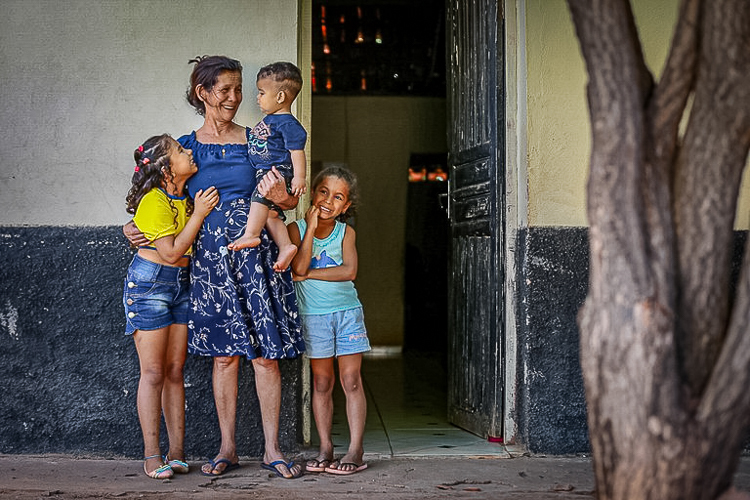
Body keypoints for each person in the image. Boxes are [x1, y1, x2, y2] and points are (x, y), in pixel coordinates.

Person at [123, 55, 305, 479]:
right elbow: (159, 194)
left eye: (240, 89)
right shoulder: (186, 148)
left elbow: (290, 200)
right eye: (225, 90)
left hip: (258, 257)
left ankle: (273, 449)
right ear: (203, 93)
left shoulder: (259, 136)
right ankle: (227, 448)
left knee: (265, 358)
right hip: (209, 264)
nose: (235, 98)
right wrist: (134, 225)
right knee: (224, 359)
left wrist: (282, 196)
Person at [123, 134, 220, 479]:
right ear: (166, 169)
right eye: (180, 151)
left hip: (181, 285)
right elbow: (170, 252)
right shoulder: (154, 200)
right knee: (152, 373)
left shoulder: (182, 195)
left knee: (175, 370)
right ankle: (152, 457)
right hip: (150, 285)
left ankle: (177, 452)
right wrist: (201, 213)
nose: (189, 151)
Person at [288, 166, 370, 476]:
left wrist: (308, 274)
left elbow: (348, 271)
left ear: (346, 206)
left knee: (351, 381)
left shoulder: (346, 232)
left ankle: (355, 448)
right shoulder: (295, 230)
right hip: (314, 317)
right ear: (312, 194)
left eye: (338, 198)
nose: (328, 201)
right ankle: (325, 446)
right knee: (322, 382)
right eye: (323, 192)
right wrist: (309, 228)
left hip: (347, 313)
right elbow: (298, 263)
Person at [228, 62, 307, 276]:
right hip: (266, 169)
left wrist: (299, 177)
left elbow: (297, 152)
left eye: (262, 93)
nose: (258, 97)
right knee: (271, 214)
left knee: (259, 197)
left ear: (280, 97)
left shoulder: (289, 124)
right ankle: (286, 246)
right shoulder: (271, 120)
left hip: (275, 171)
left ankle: (251, 233)